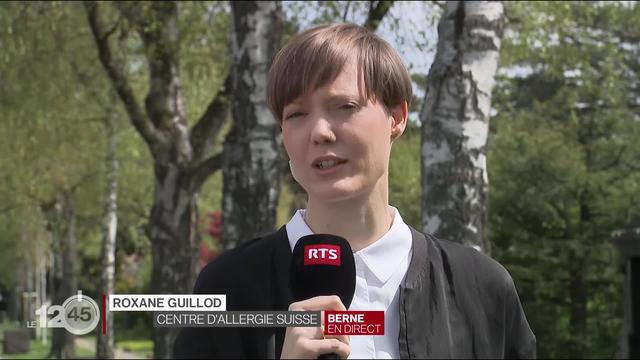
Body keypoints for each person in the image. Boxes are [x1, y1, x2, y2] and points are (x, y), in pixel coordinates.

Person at [173, 23, 536, 359]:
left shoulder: (482, 287)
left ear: (396, 117)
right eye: (296, 114)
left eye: (344, 106)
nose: (319, 132)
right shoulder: (226, 290)